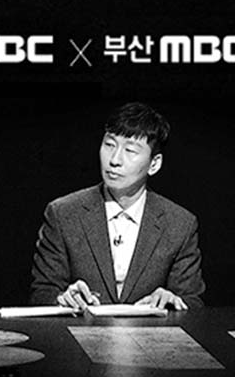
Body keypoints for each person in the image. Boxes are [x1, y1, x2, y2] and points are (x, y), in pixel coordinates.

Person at [29, 102, 205, 310]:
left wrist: (173, 301)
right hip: (82, 327)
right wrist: (62, 298)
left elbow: (193, 302)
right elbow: (41, 293)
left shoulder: (180, 224)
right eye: (109, 145)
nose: (114, 160)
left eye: (130, 150)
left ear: (154, 164)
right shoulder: (63, 214)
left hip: (150, 331)